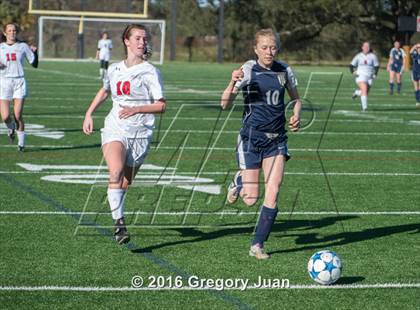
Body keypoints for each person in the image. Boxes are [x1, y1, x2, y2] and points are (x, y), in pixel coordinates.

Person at [220, 28, 301, 260]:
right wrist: (231, 82)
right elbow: (224, 104)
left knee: (273, 191)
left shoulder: (284, 70)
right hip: (251, 139)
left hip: (277, 140)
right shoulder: (248, 70)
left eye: (273, 47)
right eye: (264, 47)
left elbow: (296, 99)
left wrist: (296, 115)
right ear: (255, 49)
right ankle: (239, 180)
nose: (269, 51)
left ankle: (258, 244)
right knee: (250, 199)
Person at [83, 24, 166, 244]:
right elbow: (105, 90)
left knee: (125, 183)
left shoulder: (150, 71)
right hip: (115, 127)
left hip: (140, 134)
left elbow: (161, 106)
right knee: (115, 172)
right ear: (126, 41)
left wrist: (137, 109)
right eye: (137, 38)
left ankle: (118, 212)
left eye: (144, 39)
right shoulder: (114, 69)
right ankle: (119, 225)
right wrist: (89, 113)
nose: (142, 42)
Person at [0, 22, 38, 152]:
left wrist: (35, 52)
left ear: (17, 32)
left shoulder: (22, 46)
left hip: (19, 82)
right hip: (4, 82)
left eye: (14, 31)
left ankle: (21, 144)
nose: (12, 33)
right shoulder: (0, 47)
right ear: (5, 33)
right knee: (5, 117)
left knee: (17, 115)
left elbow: (34, 63)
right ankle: (10, 128)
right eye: (9, 31)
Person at [350, 42, 379, 111]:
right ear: (362, 47)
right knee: (364, 90)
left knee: (365, 92)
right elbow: (351, 65)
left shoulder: (373, 56)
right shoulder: (358, 56)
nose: (366, 48)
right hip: (360, 76)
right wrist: (353, 72)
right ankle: (364, 108)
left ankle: (357, 92)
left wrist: (375, 74)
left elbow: (376, 66)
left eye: (368, 47)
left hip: (369, 77)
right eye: (365, 46)